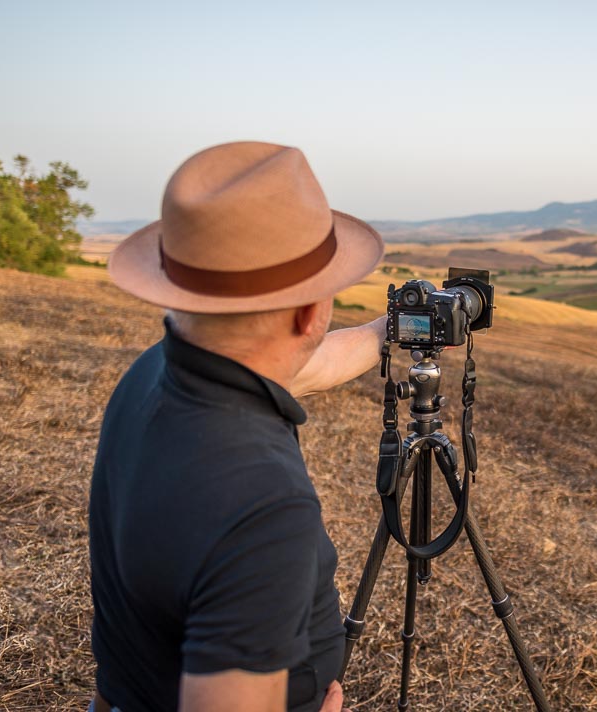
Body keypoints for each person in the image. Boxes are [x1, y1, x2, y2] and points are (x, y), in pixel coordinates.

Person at [89, 141, 386, 712]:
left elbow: (308, 363)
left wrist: (385, 332)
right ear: (310, 314)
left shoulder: (150, 377)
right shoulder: (261, 506)